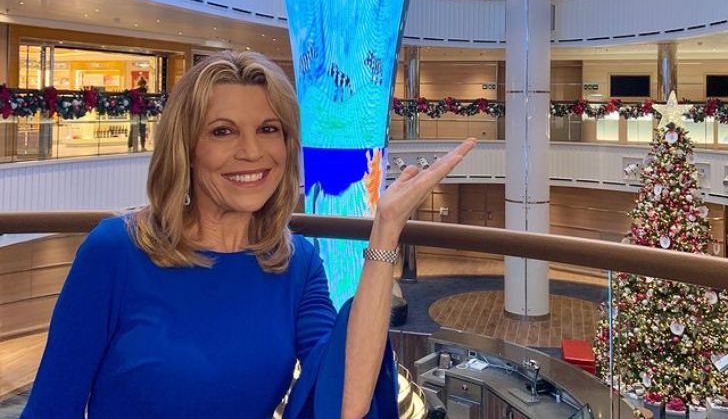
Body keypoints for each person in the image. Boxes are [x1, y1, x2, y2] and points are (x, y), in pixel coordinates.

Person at [20, 50, 476, 418]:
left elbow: (345, 402)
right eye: (223, 131)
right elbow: (50, 408)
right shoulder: (115, 252)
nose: (252, 151)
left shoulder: (296, 264)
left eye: (268, 129)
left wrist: (386, 231)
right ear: (187, 148)